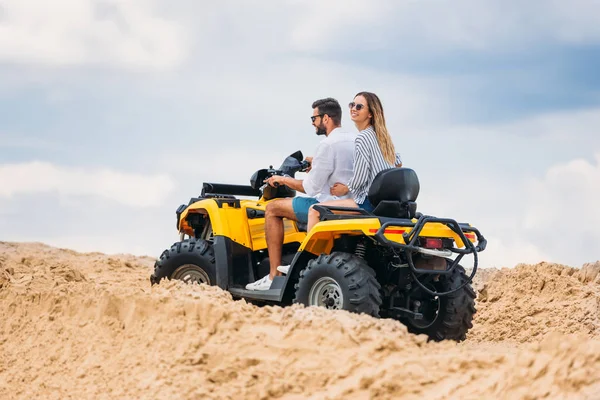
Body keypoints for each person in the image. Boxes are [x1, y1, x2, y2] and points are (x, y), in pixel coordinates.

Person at [245, 97, 355, 290]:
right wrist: (316, 165)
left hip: (327, 205)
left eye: (314, 119)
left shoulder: (327, 145)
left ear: (326, 118)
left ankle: (273, 276)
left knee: (272, 208)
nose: (313, 123)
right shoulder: (354, 140)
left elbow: (310, 188)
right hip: (352, 204)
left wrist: (282, 180)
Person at [306, 91, 402, 232]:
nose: (353, 108)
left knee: (315, 210)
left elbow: (360, 179)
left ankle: (313, 255)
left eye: (359, 107)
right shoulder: (383, 137)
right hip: (386, 203)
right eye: (352, 104)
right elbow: (398, 164)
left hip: (367, 204)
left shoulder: (362, 138)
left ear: (370, 114)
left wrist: (345, 188)